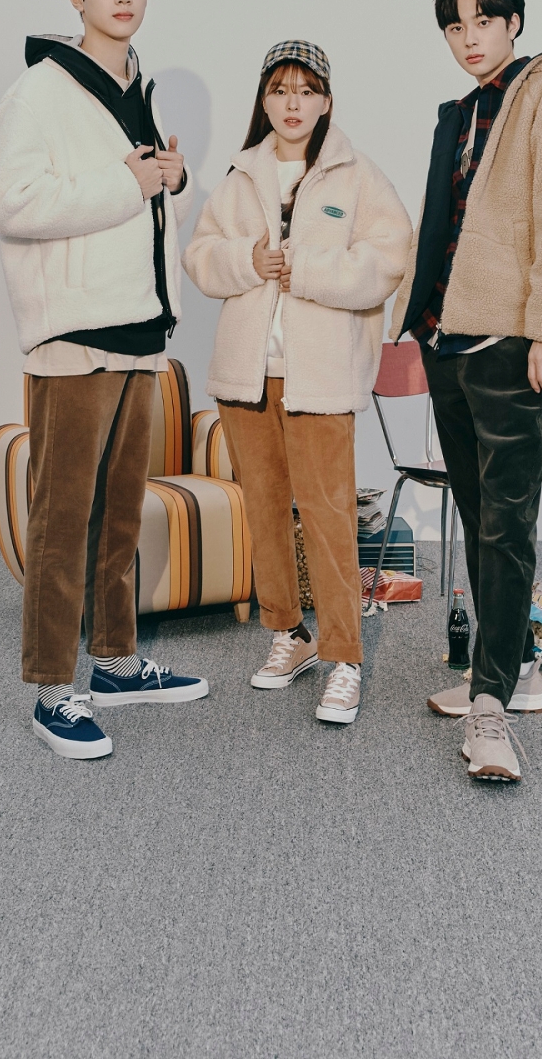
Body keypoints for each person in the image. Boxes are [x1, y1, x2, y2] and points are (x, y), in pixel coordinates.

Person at [0, 0, 209, 760]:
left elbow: (144, 207)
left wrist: (174, 183)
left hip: (140, 329)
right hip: (75, 335)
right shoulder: (38, 91)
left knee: (119, 512)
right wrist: (129, 182)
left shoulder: (136, 88)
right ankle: (53, 689)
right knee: (61, 516)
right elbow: (13, 204)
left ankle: (114, 662)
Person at [390, 0, 542, 782]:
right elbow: (441, 225)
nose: (470, 37)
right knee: (480, 513)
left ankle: (490, 710)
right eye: (456, 25)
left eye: (484, 19)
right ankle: (515, 669)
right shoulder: (463, 111)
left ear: (513, 21)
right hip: (449, 340)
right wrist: (413, 319)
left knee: (506, 525)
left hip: (513, 344)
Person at [183, 42, 412, 724]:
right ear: (264, 99)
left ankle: (345, 657)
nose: (292, 104)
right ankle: (289, 634)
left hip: (322, 378)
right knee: (265, 513)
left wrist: (307, 270)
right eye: (280, 90)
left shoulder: (356, 175)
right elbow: (200, 256)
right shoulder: (240, 175)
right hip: (247, 376)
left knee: (328, 516)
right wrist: (246, 260)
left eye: (306, 91)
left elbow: (390, 259)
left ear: (326, 101)